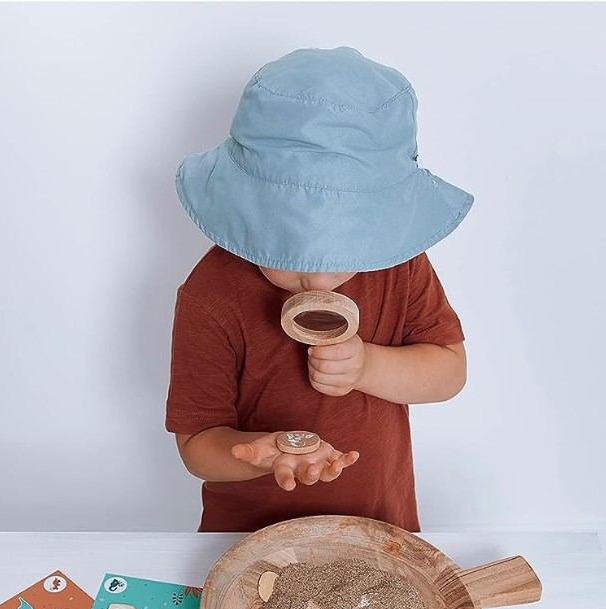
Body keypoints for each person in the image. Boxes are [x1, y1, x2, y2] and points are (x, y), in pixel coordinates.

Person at [166, 46, 472, 533]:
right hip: (248, 537)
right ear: (247, 214)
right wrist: (259, 453)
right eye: (290, 253)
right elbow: (196, 445)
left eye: (344, 251)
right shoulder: (210, 295)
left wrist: (368, 365)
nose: (319, 281)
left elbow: (449, 372)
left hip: (378, 529)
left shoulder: (399, 263)